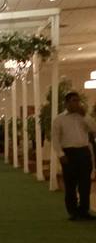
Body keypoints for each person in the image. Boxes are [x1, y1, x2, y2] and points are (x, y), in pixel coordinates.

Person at [53, 92, 96, 220]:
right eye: (73, 100)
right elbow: (55, 138)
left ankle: (84, 210)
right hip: (68, 153)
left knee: (85, 183)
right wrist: (61, 154)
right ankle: (73, 211)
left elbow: (94, 128)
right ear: (66, 103)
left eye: (78, 100)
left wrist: (85, 115)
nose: (76, 103)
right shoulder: (59, 119)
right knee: (70, 184)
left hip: (83, 152)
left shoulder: (84, 117)